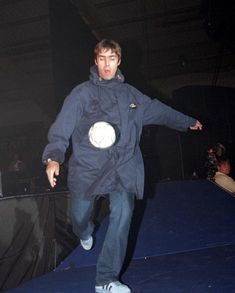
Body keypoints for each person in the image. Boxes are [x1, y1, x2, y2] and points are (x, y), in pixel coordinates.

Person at [42, 39, 202, 293]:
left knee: (123, 213)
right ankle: (85, 231)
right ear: (95, 61)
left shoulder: (130, 96)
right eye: (102, 59)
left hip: (122, 168)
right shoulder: (82, 93)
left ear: (119, 61)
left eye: (112, 59)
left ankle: (106, 279)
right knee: (79, 219)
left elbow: (159, 111)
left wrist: (187, 121)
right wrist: (53, 156)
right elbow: (63, 126)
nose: (107, 65)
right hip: (88, 168)